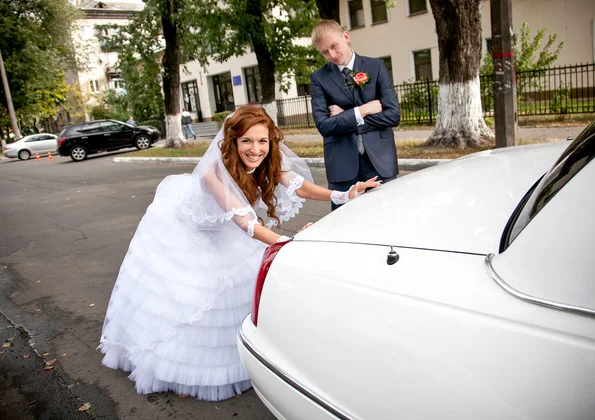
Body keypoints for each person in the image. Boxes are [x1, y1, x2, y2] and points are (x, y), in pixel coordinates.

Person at [98, 106, 380, 401]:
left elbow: (300, 187)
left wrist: (342, 195)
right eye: (246, 141)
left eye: (262, 141)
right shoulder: (212, 173)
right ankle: (175, 361)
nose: (255, 149)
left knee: (243, 284)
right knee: (191, 296)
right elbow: (246, 223)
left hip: (229, 227)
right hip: (190, 229)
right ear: (233, 142)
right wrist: (289, 243)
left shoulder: (269, 158)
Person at [310, 20, 401, 210]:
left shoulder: (375, 67)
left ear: (346, 36)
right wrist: (362, 111)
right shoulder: (319, 78)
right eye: (324, 52)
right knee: (344, 225)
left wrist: (345, 116)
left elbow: (393, 115)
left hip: (380, 162)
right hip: (342, 166)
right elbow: (324, 126)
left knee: (388, 218)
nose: (332, 55)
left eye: (334, 46)